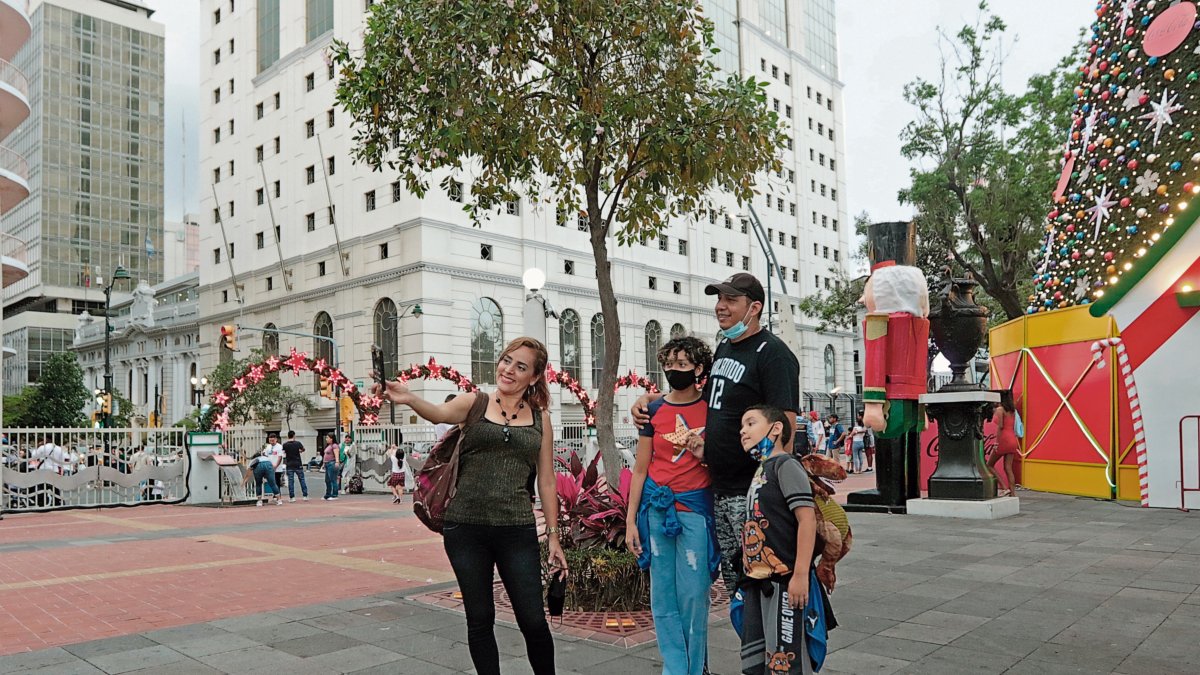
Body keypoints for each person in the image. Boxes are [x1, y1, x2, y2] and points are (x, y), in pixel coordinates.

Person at [377, 337, 566, 675]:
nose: (508, 369)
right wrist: (409, 398)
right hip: (466, 528)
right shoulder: (475, 403)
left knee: (534, 621)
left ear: (535, 377)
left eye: (521, 366)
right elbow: (438, 412)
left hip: (516, 530)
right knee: (480, 619)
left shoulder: (541, 419)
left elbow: (547, 480)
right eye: (507, 360)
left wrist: (553, 536)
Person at [633, 273, 800, 601]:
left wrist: (771, 491)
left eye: (730, 300)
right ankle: (751, 649)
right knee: (737, 584)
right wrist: (652, 400)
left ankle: (776, 651)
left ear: (754, 308)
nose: (720, 307)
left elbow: (786, 427)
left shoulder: (772, 353)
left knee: (762, 581)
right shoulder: (725, 346)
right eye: (719, 299)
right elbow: (707, 399)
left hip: (750, 493)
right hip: (720, 490)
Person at [626, 336, 719, 675]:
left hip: (694, 511)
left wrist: (703, 452)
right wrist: (630, 522)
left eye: (683, 364)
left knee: (695, 595)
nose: (674, 370)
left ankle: (694, 668)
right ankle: (675, 667)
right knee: (662, 596)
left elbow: (723, 460)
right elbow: (640, 468)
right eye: (670, 363)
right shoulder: (652, 410)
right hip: (655, 510)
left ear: (698, 368)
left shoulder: (714, 408)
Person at [738, 405, 817, 675]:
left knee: (785, 658)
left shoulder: (786, 465)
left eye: (750, 423)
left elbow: (807, 520)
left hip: (785, 582)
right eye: (742, 426)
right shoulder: (762, 469)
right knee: (759, 657)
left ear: (776, 428)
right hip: (758, 582)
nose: (743, 431)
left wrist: (801, 574)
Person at [987, 391, 1020, 497]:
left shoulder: (1000, 410)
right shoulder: (1012, 410)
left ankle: (1004, 487)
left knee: (989, 464)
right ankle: (1013, 494)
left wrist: (997, 442)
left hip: (1003, 440)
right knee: (1008, 467)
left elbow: (1000, 426)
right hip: (1012, 439)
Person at [281, 430, 309, 502]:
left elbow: (283, 454)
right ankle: (305, 495)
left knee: (291, 481)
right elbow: (303, 449)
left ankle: (292, 497)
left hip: (289, 464)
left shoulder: (285, 445)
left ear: (288, 436)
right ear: (294, 436)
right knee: (301, 479)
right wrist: (299, 451)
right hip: (298, 463)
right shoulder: (298, 443)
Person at [263, 433, 285, 497]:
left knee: (277, 482)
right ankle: (275, 494)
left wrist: (276, 466)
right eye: (270, 441)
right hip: (269, 467)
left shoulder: (279, 447)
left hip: (277, 468)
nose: (271, 442)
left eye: (273, 441)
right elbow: (265, 455)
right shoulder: (268, 447)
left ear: (276, 439)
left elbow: (280, 457)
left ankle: (277, 495)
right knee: (271, 482)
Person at [322, 433, 340, 500]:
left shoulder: (335, 446)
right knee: (327, 480)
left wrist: (337, 462)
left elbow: (336, 454)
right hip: (327, 463)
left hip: (332, 463)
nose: (326, 439)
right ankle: (328, 494)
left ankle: (334, 494)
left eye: (327, 438)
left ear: (331, 438)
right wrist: (323, 464)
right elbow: (325, 455)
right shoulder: (329, 446)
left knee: (333, 479)